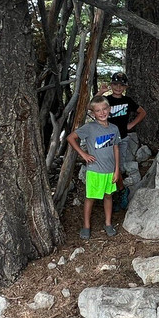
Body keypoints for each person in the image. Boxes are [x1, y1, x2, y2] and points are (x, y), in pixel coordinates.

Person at [66, 96, 121, 239]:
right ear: (93, 113)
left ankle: (108, 223)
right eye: (98, 111)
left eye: (104, 109)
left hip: (109, 170)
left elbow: (116, 148)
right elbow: (71, 137)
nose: (102, 113)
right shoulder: (89, 128)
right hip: (95, 170)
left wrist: (117, 170)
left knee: (108, 196)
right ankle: (86, 226)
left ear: (109, 109)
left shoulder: (114, 128)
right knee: (90, 198)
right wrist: (83, 154)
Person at [99, 72, 146, 209]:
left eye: (121, 85)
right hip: (107, 139)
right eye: (115, 84)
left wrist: (132, 125)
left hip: (122, 138)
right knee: (107, 166)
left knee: (117, 168)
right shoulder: (106, 100)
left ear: (126, 87)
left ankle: (121, 191)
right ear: (111, 85)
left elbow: (142, 112)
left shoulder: (128, 101)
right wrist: (101, 92)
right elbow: (90, 107)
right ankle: (111, 193)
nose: (118, 87)